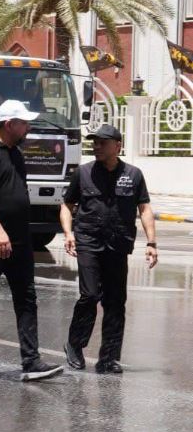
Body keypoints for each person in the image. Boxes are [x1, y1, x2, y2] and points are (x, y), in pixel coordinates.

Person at [0, 99, 64, 381]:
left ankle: (31, 362)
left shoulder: (16, 152)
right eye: (24, 123)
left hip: (19, 240)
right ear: (9, 124)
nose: (28, 128)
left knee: (27, 298)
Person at [61, 123, 157, 374]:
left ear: (118, 146)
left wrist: (151, 242)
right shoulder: (83, 173)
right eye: (95, 142)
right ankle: (75, 344)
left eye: (103, 143)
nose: (97, 147)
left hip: (118, 244)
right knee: (90, 295)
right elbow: (67, 205)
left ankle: (109, 358)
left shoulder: (133, 175)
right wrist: (69, 233)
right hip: (88, 241)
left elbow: (144, 208)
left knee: (115, 301)